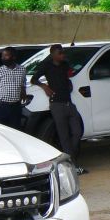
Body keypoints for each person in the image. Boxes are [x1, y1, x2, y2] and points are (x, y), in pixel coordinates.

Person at [31, 44, 89, 174]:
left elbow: (71, 73)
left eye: (63, 52)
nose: (63, 55)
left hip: (69, 103)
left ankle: (71, 158)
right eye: (60, 53)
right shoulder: (46, 66)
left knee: (77, 132)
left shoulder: (65, 64)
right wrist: (44, 86)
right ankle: (73, 166)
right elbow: (34, 79)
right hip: (56, 104)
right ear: (53, 54)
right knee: (64, 137)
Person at [0, 47, 26, 130]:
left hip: (15, 107)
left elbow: (23, 84)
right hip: (1, 107)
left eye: (6, 56)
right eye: (2, 56)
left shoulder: (22, 70)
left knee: (15, 131)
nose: (3, 58)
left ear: (13, 57)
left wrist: (23, 93)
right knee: (1, 132)